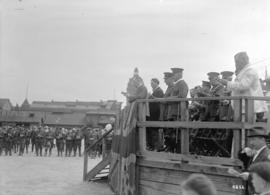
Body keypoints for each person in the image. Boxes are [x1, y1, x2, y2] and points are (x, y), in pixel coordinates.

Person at [217, 52, 268, 122]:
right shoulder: (244, 72)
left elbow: (243, 86)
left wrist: (227, 83)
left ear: (244, 60)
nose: (236, 64)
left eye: (237, 61)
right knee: (243, 129)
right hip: (244, 107)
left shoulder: (250, 71)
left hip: (251, 107)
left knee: (249, 129)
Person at [236, 127, 270, 195]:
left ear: (262, 139)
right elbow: (241, 157)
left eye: (253, 139)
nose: (251, 143)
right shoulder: (255, 152)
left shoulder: (267, 155)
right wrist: (244, 150)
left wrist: (249, 176)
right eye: (250, 140)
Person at [147, 78, 164, 151]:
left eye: (153, 83)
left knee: (154, 130)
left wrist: (150, 96)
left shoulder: (159, 91)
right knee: (151, 130)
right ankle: (153, 146)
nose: (151, 84)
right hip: (152, 113)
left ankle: (156, 147)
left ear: (157, 83)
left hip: (156, 112)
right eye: (151, 83)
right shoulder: (155, 91)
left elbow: (157, 101)